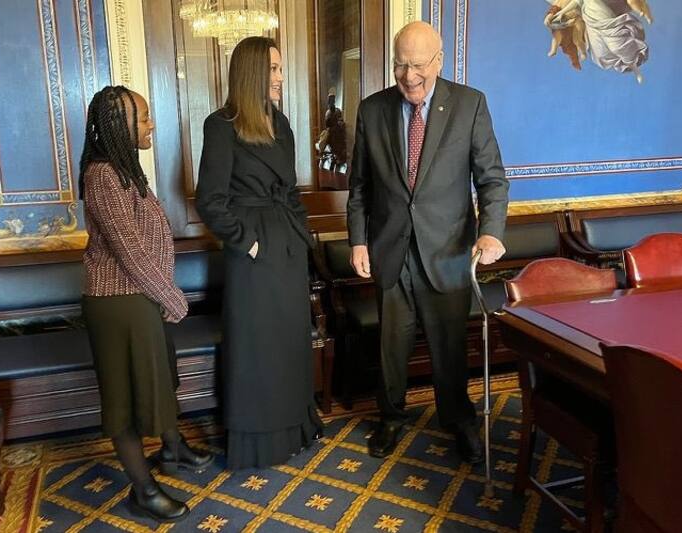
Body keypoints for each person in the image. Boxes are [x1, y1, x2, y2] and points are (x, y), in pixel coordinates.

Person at [346, 22, 509, 462]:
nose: (409, 75)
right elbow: (360, 186)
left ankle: (458, 419)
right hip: (390, 249)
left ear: (439, 61)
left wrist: (491, 230)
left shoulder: (469, 104)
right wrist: (358, 241)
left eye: (418, 65)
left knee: (449, 346)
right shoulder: (372, 110)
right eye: (400, 65)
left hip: (448, 250)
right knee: (391, 347)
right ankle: (391, 417)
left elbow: (492, 179)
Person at [79, 85, 213, 522]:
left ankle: (172, 449)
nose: (151, 124)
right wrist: (172, 296)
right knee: (123, 401)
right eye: (143, 117)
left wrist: (160, 295)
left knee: (160, 378)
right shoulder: (102, 175)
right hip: (118, 302)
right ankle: (144, 490)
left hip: (142, 296)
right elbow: (129, 250)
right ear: (120, 125)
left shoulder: (124, 169)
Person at [196, 37, 323, 470]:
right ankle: (260, 443)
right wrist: (246, 241)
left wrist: (302, 235)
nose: (280, 77)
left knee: (289, 342)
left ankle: (296, 428)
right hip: (252, 252)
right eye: (273, 69)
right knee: (258, 347)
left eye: (281, 68)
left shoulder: (280, 121)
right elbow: (210, 200)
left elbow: (290, 189)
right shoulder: (221, 125)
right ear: (251, 72)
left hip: (287, 246)